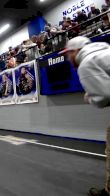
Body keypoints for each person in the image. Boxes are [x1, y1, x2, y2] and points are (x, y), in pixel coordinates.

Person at [59, 36, 110, 196]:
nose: (68, 58)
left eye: (69, 54)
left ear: (76, 51)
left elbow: (104, 97)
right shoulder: (104, 51)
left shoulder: (86, 63)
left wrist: (90, 97)